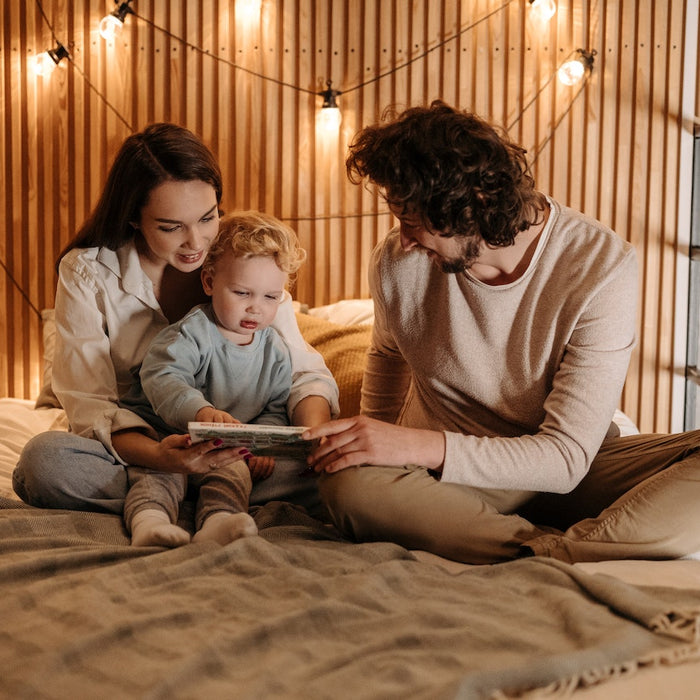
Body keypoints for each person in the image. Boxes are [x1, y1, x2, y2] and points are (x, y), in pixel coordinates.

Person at [303, 100, 700, 565]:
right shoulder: (397, 262)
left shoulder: (601, 266)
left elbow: (567, 456)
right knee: (347, 486)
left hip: (568, 468)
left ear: (475, 208)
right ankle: (567, 547)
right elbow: (387, 355)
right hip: (446, 481)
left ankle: (540, 550)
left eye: (413, 223)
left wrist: (410, 444)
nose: (403, 238)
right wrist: (375, 446)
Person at [13, 123, 338, 516]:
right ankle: (193, 492)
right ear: (133, 218)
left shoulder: (240, 255)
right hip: (143, 449)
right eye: (171, 227)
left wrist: (315, 440)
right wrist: (162, 457)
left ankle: (179, 496)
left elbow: (302, 373)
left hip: (244, 456)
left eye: (207, 218)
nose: (197, 242)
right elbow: (90, 403)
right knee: (43, 463)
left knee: (343, 474)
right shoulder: (88, 271)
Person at [122, 210, 307, 546]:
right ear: (209, 282)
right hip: (172, 439)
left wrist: (262, 444)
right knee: (158, 475)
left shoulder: (276, 351)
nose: (256, 308)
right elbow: (163, 377)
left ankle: (218, 523)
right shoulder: (192, 333)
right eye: (242, 293)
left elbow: (276, 406)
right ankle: (148, 524)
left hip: (226, 449)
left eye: (270, 297)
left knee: (234, 472)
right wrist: (200, 411)